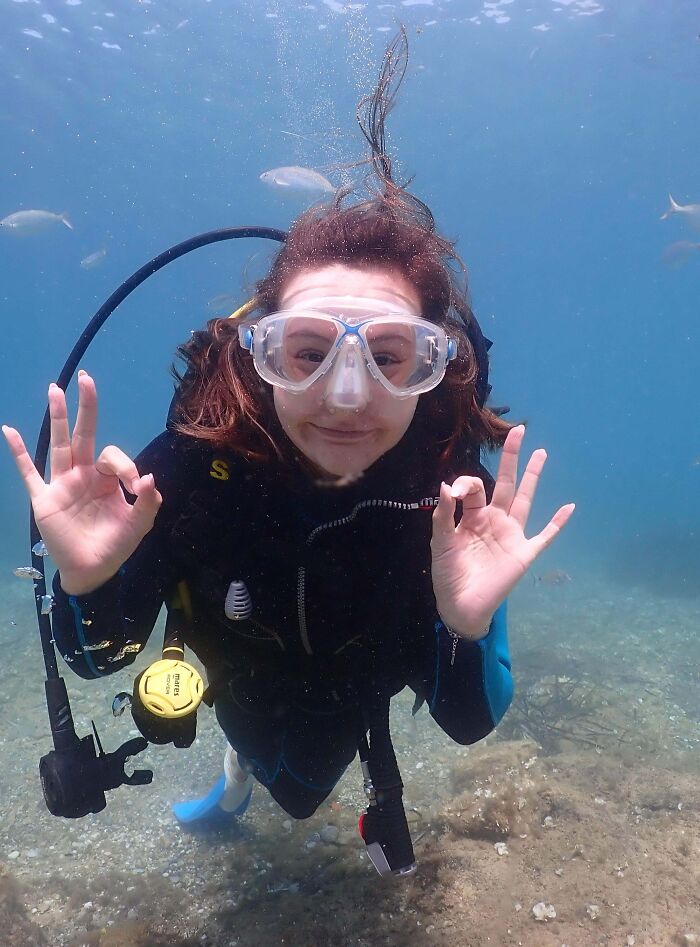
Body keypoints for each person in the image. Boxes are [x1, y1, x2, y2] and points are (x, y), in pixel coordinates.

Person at [2, 33, 573, 868]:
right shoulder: (191, 469)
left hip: (356, 707)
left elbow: (467, 718)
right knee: (268, 764)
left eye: (388, 355)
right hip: (237, 687)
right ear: (257, 356)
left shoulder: (449, 500)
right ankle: (236, 768)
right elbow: (96, 661)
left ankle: (262, 771)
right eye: (306, 352)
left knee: (312, 781)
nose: (347, 396)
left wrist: (467, 622)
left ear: (432, 364)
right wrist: (88, 584)